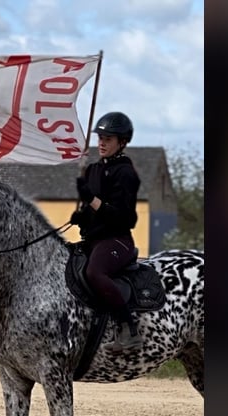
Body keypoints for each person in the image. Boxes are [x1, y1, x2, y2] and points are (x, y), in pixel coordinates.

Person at [70, 111, 143, 353]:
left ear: (122, 142)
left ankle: (128, 330)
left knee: (95, 272)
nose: (101, 142)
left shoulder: (126, 173)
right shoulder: (92, 170)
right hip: (92, 239)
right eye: (100, 137)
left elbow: (123, 217)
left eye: (108, 138)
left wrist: (91, 200)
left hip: (116, 240)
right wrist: (81, 216)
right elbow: (92, 210)